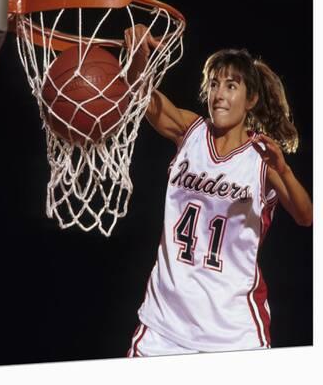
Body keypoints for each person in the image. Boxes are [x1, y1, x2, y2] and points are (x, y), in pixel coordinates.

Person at [124, 24, 312, 357]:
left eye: (231, 85)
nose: (219, 94)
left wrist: (282, 169)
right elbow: (142, 95)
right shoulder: (189, 132)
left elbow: (306, 215)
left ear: (250, 99)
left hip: (232, 332)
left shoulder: (261, 158)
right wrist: (138, 54)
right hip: (164, 324)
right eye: (213, 84)